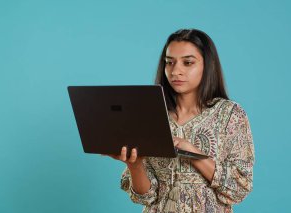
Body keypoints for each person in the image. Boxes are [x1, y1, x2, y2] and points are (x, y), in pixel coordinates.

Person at [107, 29, 255, 213]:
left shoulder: (229, 115)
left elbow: (239, 189)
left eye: (188, 63)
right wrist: (134, 165)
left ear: (208, 65)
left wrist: (193, 153)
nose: (176, 71)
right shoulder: (149, 114)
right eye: (169, 62)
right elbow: (145, 196)